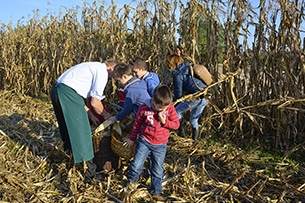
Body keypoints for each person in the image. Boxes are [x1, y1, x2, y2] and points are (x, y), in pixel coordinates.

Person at [50, 59, 118, 184]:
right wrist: (107, 115)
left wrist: (90, 114)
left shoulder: (93, 67)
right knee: (83, 133)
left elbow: (80, 95)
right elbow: (95, 102)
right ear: (111, 68)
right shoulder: (102, 72)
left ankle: (71, 161)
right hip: (67, 93)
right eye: (115, 74)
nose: (114, 78)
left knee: (68, 128)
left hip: (57, 91)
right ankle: (90, 175)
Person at [123, 85, 179, 202]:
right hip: (145, 140)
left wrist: (165, 122)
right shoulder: (144, 108)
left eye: (165, 107)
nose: (163, 109)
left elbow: (176, 125)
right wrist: (132, 138)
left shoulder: (170, 109)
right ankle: (130, 187)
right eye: (160, 107)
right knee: (137, 164)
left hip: (161, 144)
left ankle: (156, 191)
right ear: (153, 101)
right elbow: (137, 124)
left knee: (157, 168)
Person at [166, 54, 209, 140]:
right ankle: (195, 140)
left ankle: (181, 133)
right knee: (194, 119)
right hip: (206, 97)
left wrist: (173, 102)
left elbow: (178, 94)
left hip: (195, 97)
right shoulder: (189, 67)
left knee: (175, 111)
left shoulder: (178, 74)